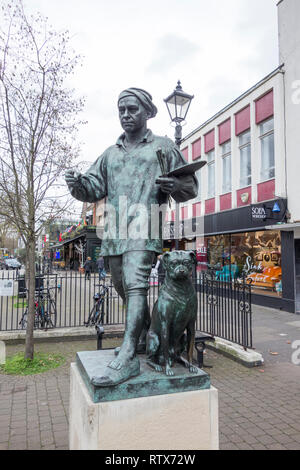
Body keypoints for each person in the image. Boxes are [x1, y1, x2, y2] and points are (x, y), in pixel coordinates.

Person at [65, 87, 198, 386]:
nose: (126, 115)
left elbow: (190, 187)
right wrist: (76, 185)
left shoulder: (163, 147)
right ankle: (145, 338)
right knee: (122, 286)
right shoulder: (110, 154)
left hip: (145, 228)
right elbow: (91, 188)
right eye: (121, 109)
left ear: (147, 112)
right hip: (113, 232)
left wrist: (172, 185)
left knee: (136, 286)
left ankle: (127, 357)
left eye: (132, 109)